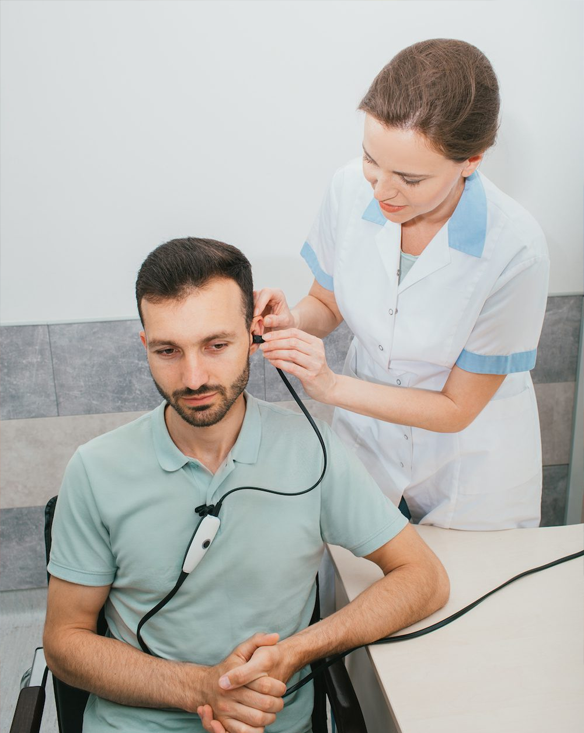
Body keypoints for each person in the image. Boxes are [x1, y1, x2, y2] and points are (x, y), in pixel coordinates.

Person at [43, 237, 449, 733]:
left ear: (254, 335)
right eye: (168, 351)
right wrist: (199, 688)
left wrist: (295, 653)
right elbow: (64, 642)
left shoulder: (311, 451)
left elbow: (424, 578)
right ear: (145, 345)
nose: (194, 377)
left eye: (217, 345)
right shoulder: (95, 469)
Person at [254, 39, 550, 531]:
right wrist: (293, 320)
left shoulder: (516, 249)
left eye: (410, 179)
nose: (382, 190)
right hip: (368, 438)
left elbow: (456, 408)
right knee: (355, 565)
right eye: (371, 159)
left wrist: (331, 387)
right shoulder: (349, 189)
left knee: (472, 578)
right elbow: (327, 302)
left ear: (471, 160)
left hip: (471, 460)